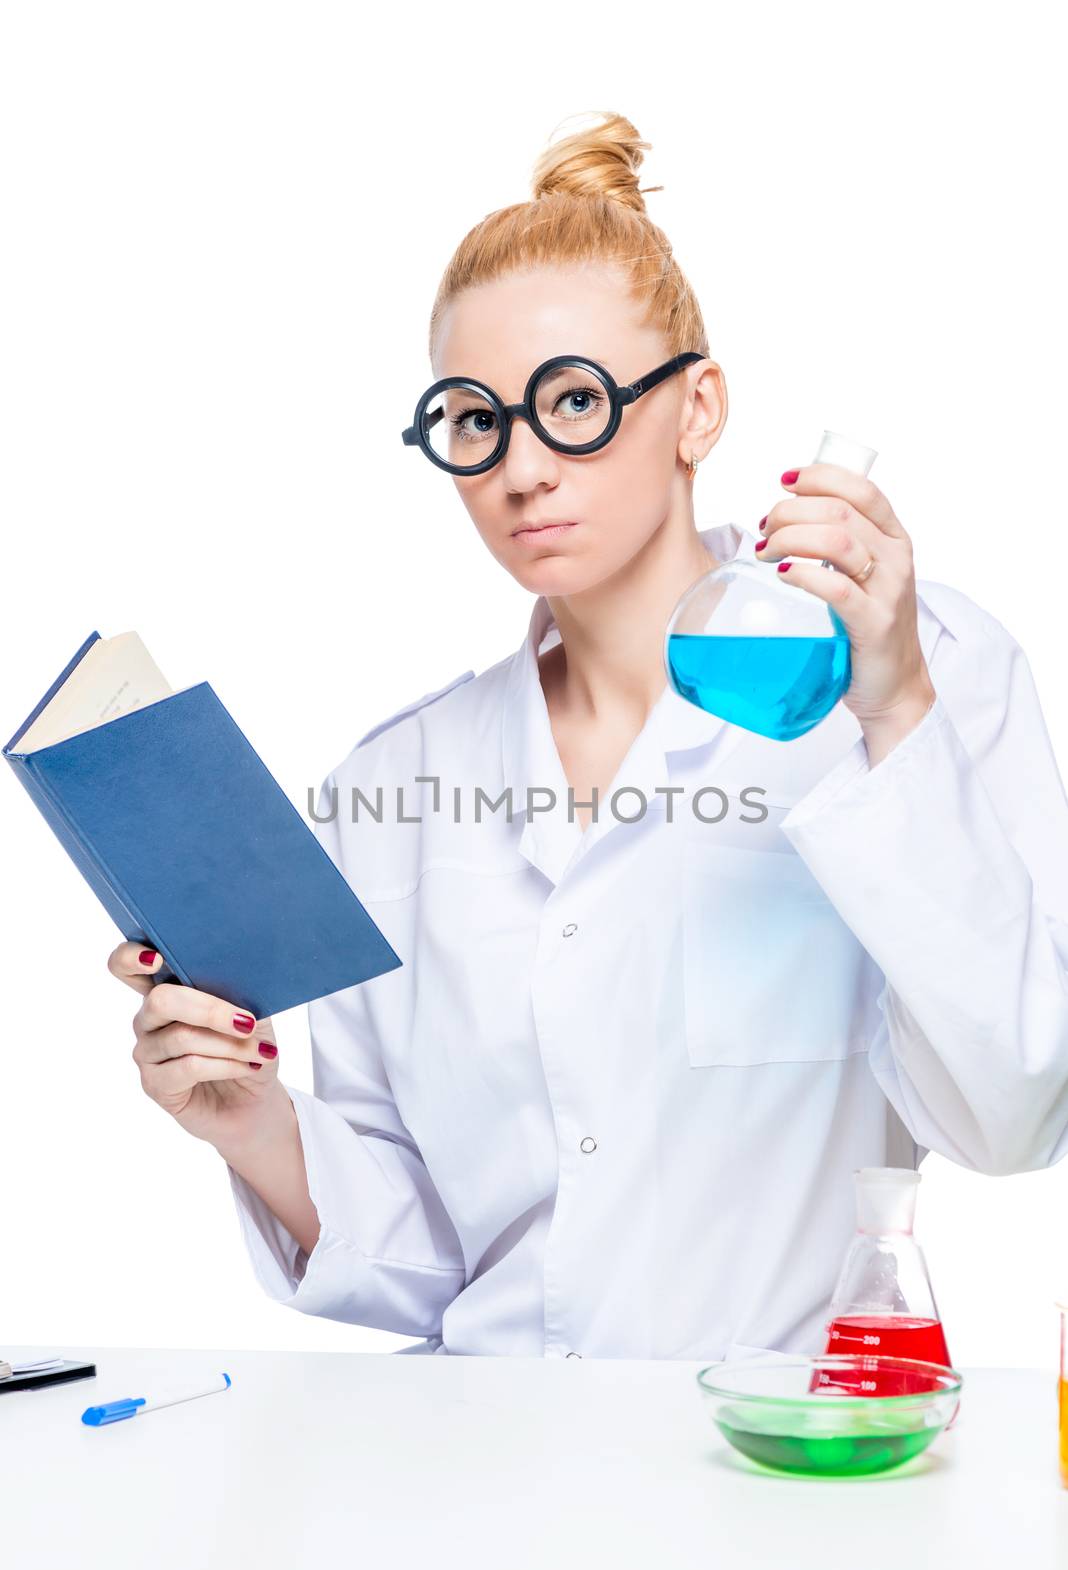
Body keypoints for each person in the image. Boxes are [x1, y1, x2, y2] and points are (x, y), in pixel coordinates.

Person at [108, 111, 1068, 1360]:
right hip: (487, 1481)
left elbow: (1015, 1117)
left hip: (778, 1478)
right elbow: (424, 1270)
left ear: (698, 410)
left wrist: (893, 705)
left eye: (573, 401)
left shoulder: (910, 665)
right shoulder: (391, 789)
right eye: (473, 419)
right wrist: (250, 1121)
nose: (521, 469)